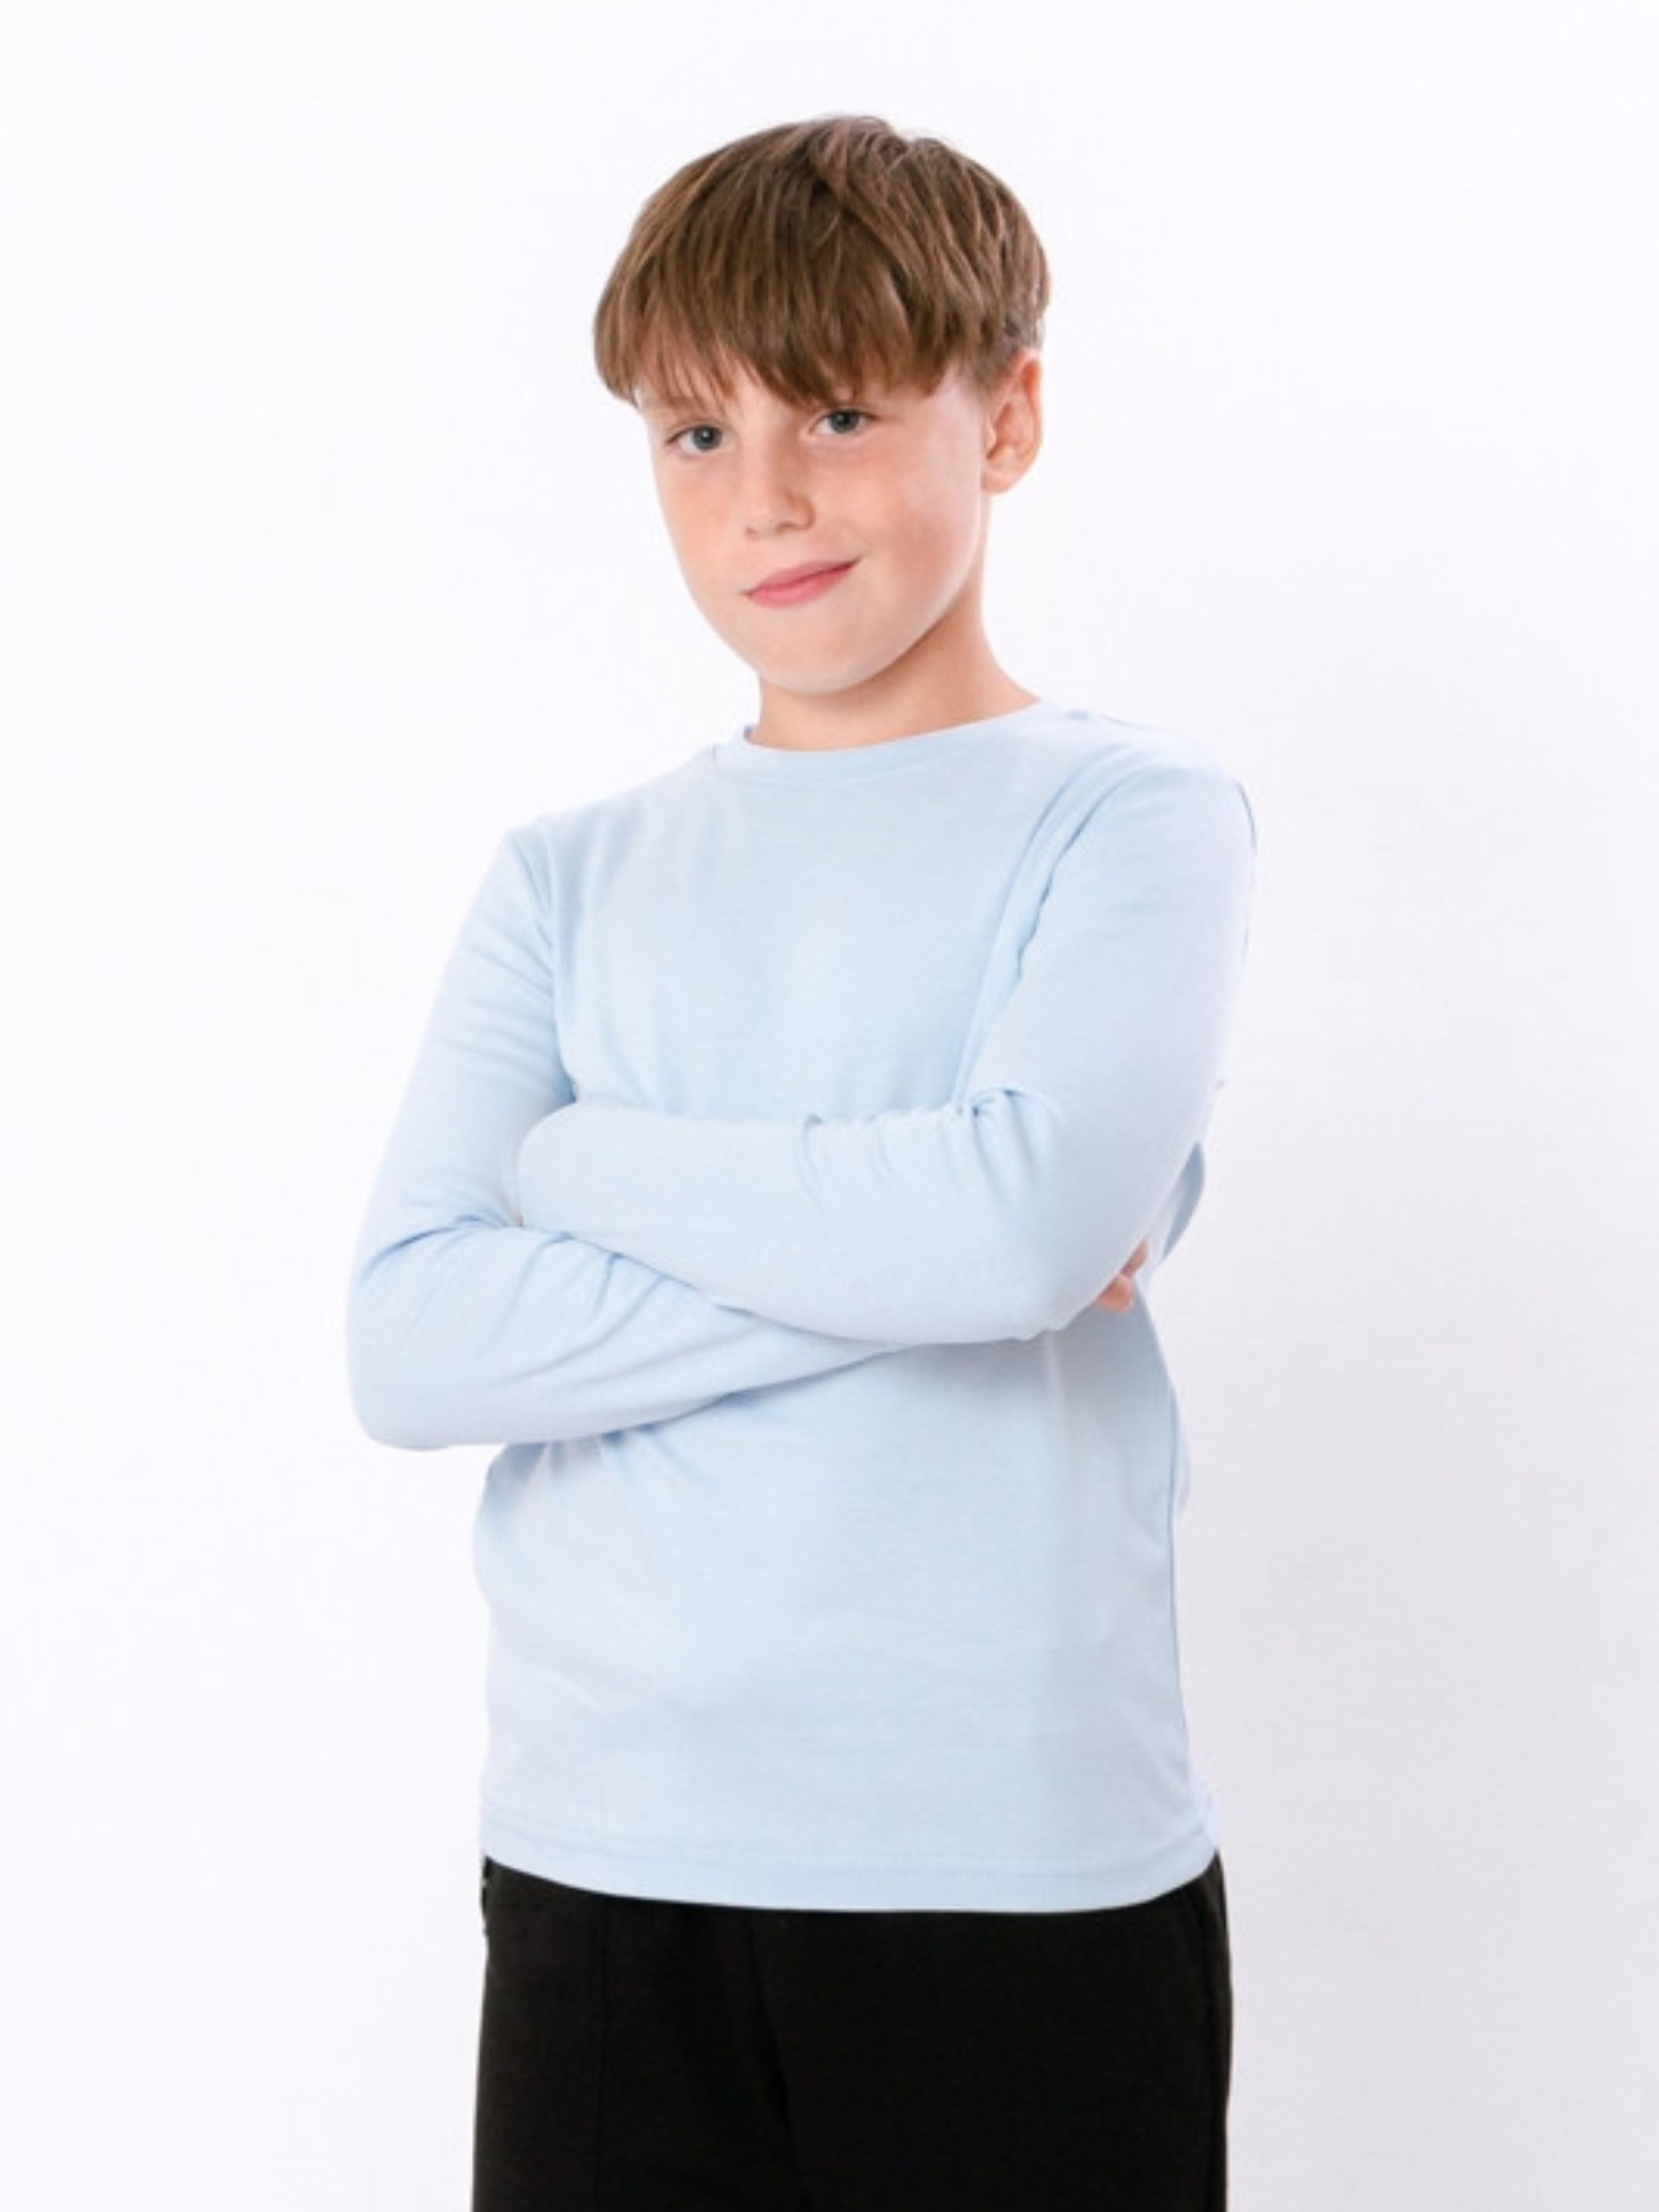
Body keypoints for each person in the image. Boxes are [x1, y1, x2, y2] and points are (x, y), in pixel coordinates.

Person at [347, 114, 1254, 2212]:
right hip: (609, 1853)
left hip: (1015, 1859)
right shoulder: (566, 879)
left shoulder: (1127, 818)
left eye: (835, 412)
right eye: (695, 433)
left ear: (1002, 417)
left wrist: (575, 1165)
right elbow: (410, 1342)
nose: (762, 494)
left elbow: (1014, 1235)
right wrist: (944, 1241)